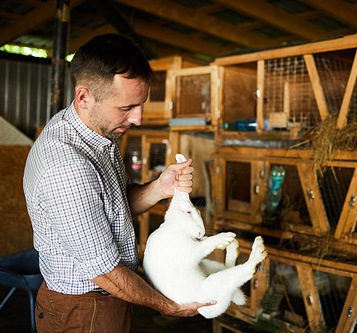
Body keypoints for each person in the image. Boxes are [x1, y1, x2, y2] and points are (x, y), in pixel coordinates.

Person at [23, 33, 214, 332]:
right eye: (126, 108)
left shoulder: (98, 133)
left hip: (109, 297)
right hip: (85, 309)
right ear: (84, 97)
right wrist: (171, 306)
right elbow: (105, 272)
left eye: (141, 105)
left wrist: (159, 188)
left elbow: (115, 206)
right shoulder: (66, 165)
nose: (137, 118)